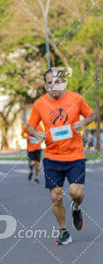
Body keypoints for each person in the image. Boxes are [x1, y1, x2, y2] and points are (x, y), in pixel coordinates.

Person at [27, 68, 95, 245]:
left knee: (76, 192)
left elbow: (91, 115)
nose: (53, 86)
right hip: (52, 157)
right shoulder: (40, 104)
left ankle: (76, 207)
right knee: (56, 196)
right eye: (50, 83)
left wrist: (83, 122)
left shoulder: (76, 99)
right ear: (45, 85)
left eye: (57, 82)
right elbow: (30, 127)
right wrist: (37, 133)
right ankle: (64, 231)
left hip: (75, 155)